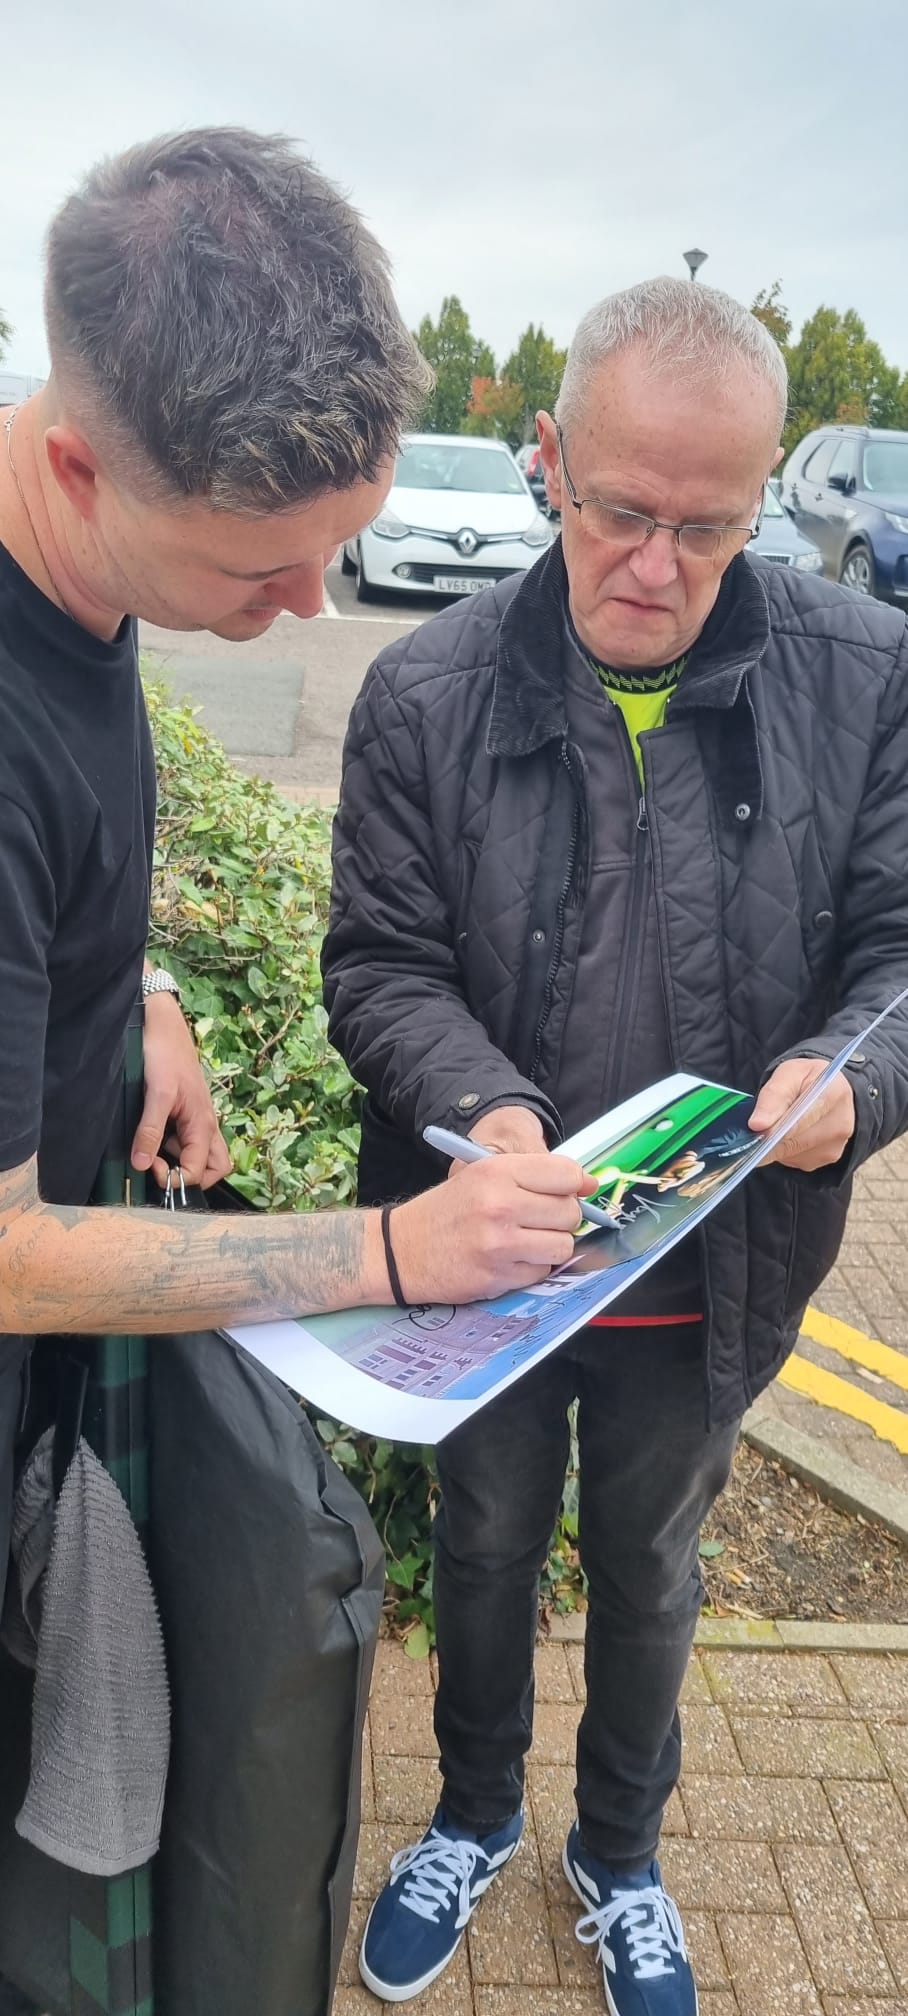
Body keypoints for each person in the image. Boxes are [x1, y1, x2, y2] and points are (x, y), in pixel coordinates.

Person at [322, 276, 908, 2012]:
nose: (656, 565)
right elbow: (380, 961)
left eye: (711, 530)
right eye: (619, 513)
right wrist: (485, 1113)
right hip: (498, 1261)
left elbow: (899, 951)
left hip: (717, 1264)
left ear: (766, 509)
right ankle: (477, 1811)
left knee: (655, 1562)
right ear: (548, 463)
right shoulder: (425, 690)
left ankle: (623, 1851)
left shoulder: (864, 677)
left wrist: (846, 1086)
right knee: (489, 1542)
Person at [0, 129, 592, 1621]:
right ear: (78, 462)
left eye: (337, 547)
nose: (308, 601)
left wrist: (128, 984)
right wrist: (393, 1250)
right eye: (254, 570)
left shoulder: (79, 553)